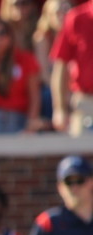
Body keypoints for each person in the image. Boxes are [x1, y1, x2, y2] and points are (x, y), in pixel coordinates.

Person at [48, 0, 91, 136]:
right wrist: (59, 108)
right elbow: (61, 66)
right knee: (81, 154)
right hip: (86, 101)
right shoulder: (76, 17)